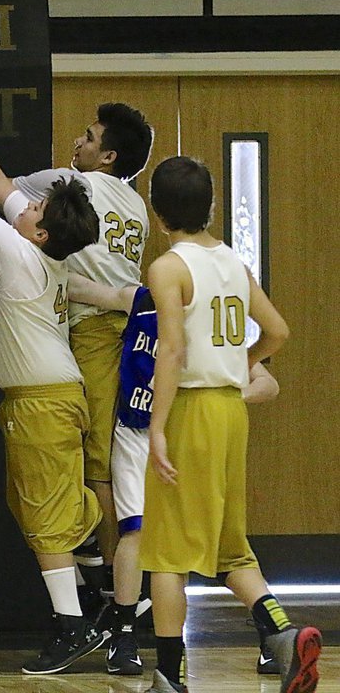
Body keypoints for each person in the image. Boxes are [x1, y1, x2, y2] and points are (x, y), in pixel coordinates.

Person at [0, 84, 108, 674]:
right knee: (42, 507)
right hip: (54, 394)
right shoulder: (42, 248)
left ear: (41, 231)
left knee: (42, 516)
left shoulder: (22, 254)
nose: (23, 204)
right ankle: (86, 593)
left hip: (43, 401)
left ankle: (75, 625)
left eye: (33, 208)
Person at [139, 155, 321, 693]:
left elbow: (170, 350)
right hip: (229, 410)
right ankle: (283, 634)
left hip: (192, 409)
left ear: (158, 212)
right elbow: (279, 331)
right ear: (211, 206)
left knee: (166, 552)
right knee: (227, 548)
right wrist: (242, 363)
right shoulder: (233, 264)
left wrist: (156, 427)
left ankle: (169, 677)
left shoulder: (168, 268)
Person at [68, 273, 282, 677]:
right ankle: (124, 632)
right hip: (136, 433)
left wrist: (226, 392)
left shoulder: (210, 324)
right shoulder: (141, 299)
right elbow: (88, 289)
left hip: (185, 435)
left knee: (215, 548)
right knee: (137, 532)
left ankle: (268, 634)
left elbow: (268, 383)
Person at [13, 103, 154, 612]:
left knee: (100, 466)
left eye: (89, 137)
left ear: (108, 156)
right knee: (113, 460)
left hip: (96, 336)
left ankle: (121, 598)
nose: (78, 143)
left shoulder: (74, 183)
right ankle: (105, 568)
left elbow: (4, 188)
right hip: (130, 335)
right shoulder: (135, 204)